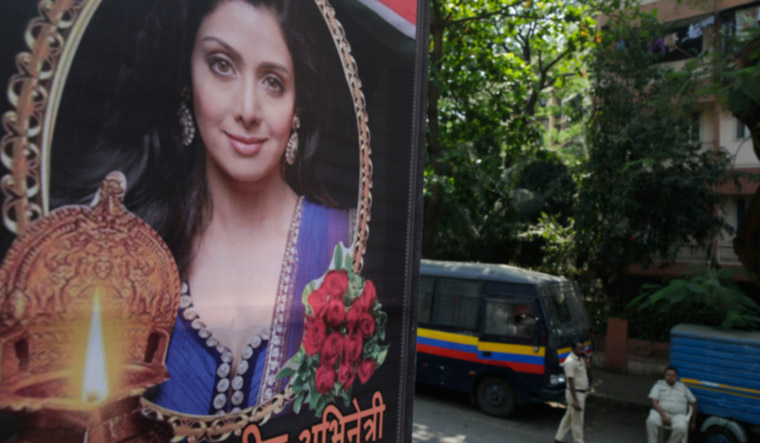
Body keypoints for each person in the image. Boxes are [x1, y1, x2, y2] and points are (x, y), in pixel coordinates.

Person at [50, 0, 353, 415]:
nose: (247, 110)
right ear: (186, 81)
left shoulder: (345, 243)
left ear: (297, 107)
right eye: (221, 65)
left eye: (273, 82)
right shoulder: (126, 240)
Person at [646, 366, 697, 443]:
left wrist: (693, 422)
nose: (670, 377)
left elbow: (693, 403)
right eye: (668, 375)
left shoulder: (682, 387)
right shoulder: (659, 385)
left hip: (678, 414)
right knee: (651, 421)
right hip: (660, 412)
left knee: (682, 428)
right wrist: (663, 415)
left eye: (673, 375)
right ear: (665, 376)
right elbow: (654, 402)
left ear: (676, 377)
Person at [554, 342, 590, 443]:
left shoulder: (580, 359)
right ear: (573, 349)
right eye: (580, 349)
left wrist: (587, 363)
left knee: (569, 417)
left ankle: (559, 439)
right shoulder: (570, 362)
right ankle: (579, 441)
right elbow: (570, 381)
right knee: (578, 421)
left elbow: (586, 373)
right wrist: (575, 400)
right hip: (575, 394)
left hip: (581, 393)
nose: (582, 351)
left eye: (583, 349)